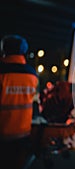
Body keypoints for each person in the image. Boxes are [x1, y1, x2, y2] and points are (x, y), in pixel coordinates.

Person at [0, 34, 39, 169]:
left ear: (4, 50)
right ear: (23, 52)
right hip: (23, 134)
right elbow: (33, 102)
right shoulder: (32, 74)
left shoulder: (2, 72)